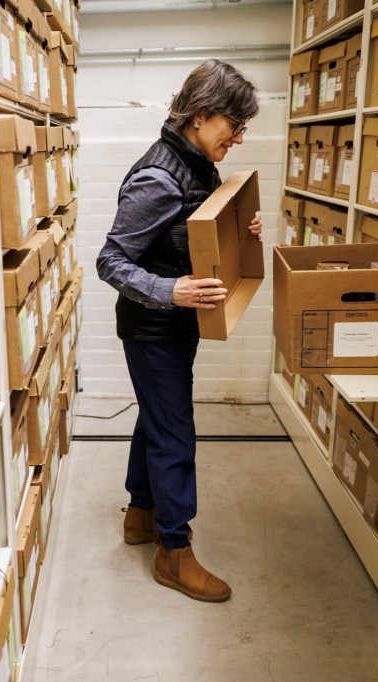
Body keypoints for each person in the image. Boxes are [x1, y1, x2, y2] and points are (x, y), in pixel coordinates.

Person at [96, 59, 261, 603]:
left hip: (172, 325)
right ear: (201, 115)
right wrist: (173, 292)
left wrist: (242, 227)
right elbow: (111, 261)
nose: (237, 138)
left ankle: (141, 517)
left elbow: (196, 230)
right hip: (153, 327)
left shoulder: (195, 164)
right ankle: (174, 552)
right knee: (175, 433)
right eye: (231, 126)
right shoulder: (159, 178)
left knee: (157, 417)